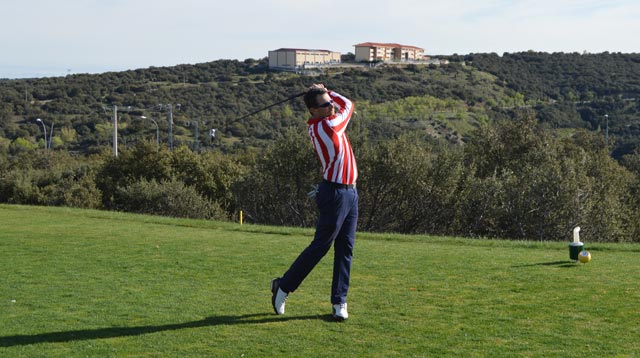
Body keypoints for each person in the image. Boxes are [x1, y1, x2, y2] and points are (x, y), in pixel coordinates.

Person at [271, 84, 359, 321]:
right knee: (321, 246)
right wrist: (328, 89)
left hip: (350, 193)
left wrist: (325, 93)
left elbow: (340, 105)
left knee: (345, 250)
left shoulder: (324, 121)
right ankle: (283, 286)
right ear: (313, 111)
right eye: (325, 104)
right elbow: (348, 105)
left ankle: (340, 302)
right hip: (335, 194)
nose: (331, 105)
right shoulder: (328, 126)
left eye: (330, 101)